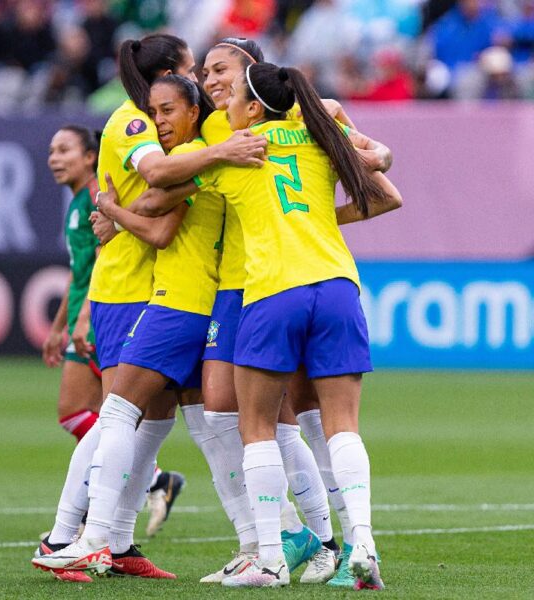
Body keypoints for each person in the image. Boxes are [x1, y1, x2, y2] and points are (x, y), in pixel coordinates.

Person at [32, 33, 266, 579]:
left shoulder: (200, 146)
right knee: (197, 423)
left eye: (175, 104)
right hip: (156, 295)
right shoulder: (176, 133)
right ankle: (261, 542)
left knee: (122, 417)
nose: (200, 81)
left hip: (169, 299)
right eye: (190, 71)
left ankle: (87, 538)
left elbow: (161, 211)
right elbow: (159, 186)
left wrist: (114, 212)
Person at [203, 63, 401, 589]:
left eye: (232, 99)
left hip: (274, 291)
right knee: (343, 425)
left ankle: (269, 559)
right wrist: (313, 219)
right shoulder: (319, 133)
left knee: (256, 428)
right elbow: (385, 185)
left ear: (251, 107)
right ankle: (364, 545)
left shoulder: (235, 152)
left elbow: (162, 184)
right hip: (337, 286)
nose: (224, 107)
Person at [42, 125, 103, 442]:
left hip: (97, 317)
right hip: (87, 315)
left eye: (65, 150)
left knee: (74, 412)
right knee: (103, 417)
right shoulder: (78, 201)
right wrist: (56, 327)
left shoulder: (96, 198)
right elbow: (78, 272)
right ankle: (145, 485)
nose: (55, 158)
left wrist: (83, 319)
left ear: (90, 157)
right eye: (52, 151)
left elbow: (106, 259)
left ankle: (153, 478)